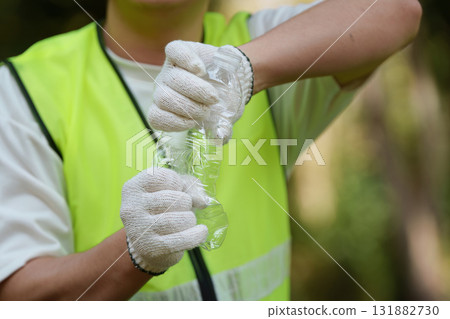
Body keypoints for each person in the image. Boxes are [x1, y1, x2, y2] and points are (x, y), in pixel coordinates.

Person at [0, 0, 421, 300]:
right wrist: (132, 253)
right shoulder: (22, 90)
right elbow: (18, 298)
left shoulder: (268, 44)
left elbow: (397, 10)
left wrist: (242, 68)